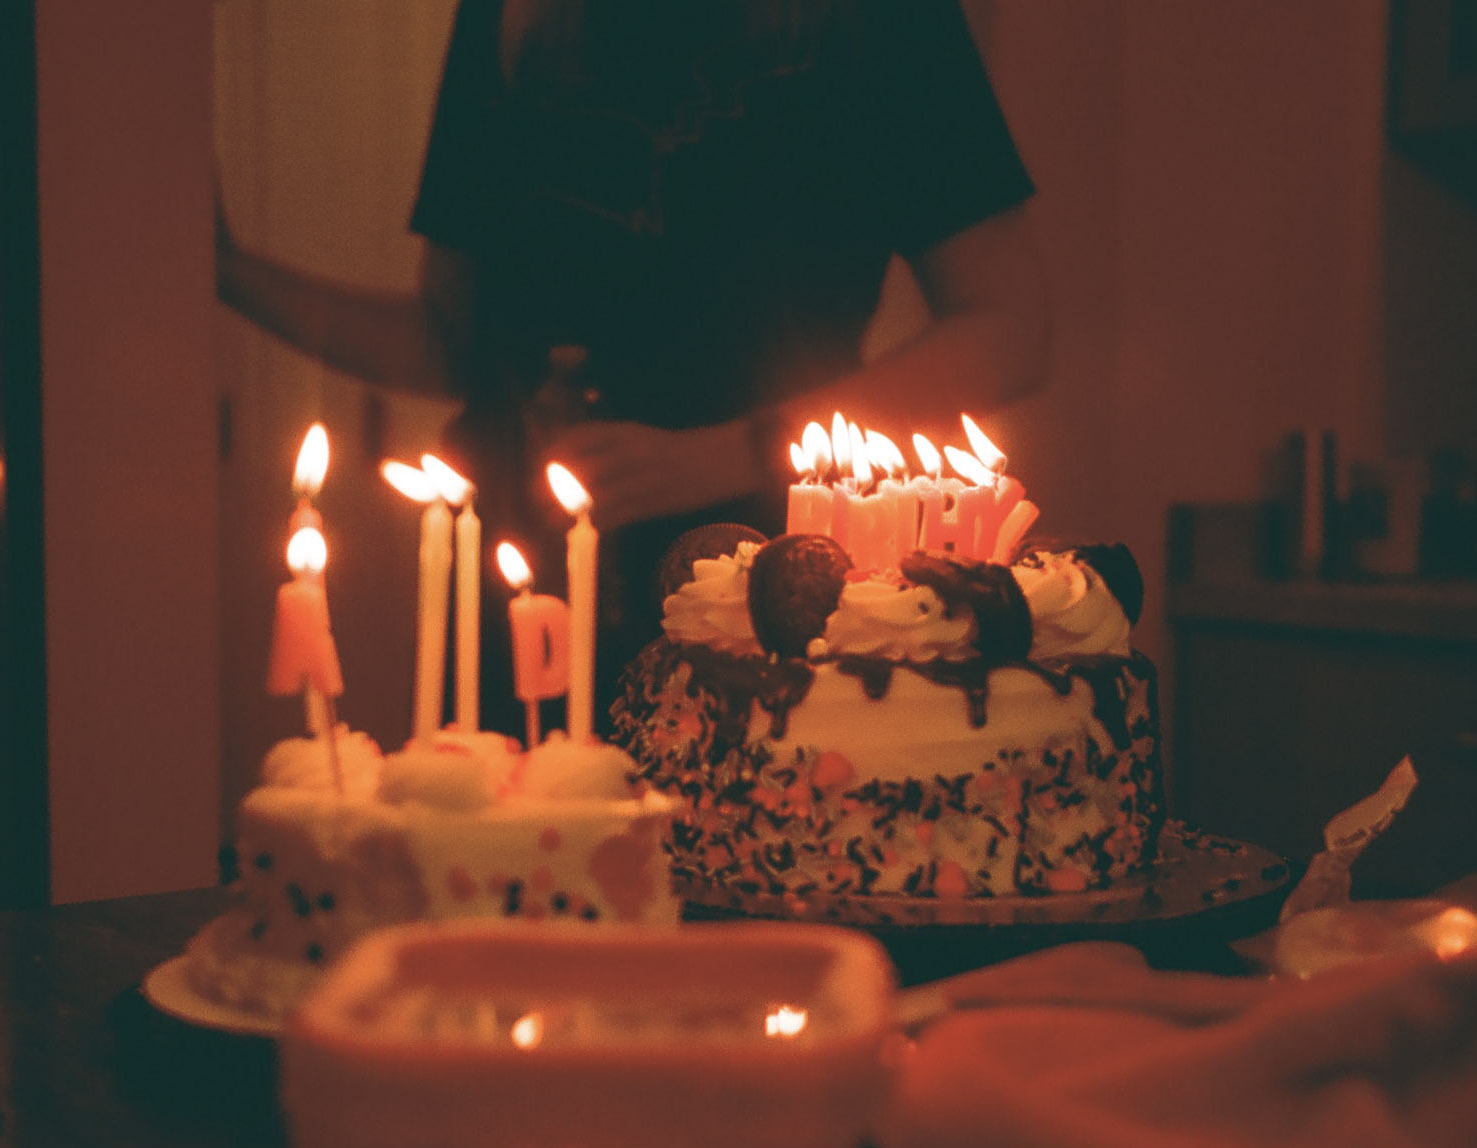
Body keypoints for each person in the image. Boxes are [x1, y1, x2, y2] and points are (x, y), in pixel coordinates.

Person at [219, 0, 1049, 729]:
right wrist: (230, 271)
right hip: (514, 600)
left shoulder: (877, 18)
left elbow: (1009, 328)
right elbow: (453, 341)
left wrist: (716, 456)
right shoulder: (515, 15)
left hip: (762, 601)